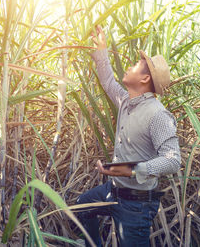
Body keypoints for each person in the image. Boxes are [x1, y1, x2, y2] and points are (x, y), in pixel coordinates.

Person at [76, 25, 181, 247]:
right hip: (112, 191)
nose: (129, 67)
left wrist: (134, 170)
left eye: (135, 66)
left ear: (144, 80)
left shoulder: (158, 115)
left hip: (137, 205)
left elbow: (173, 160)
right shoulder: (126, 101)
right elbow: (108, 83)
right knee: (81, 207)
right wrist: (102, 50)